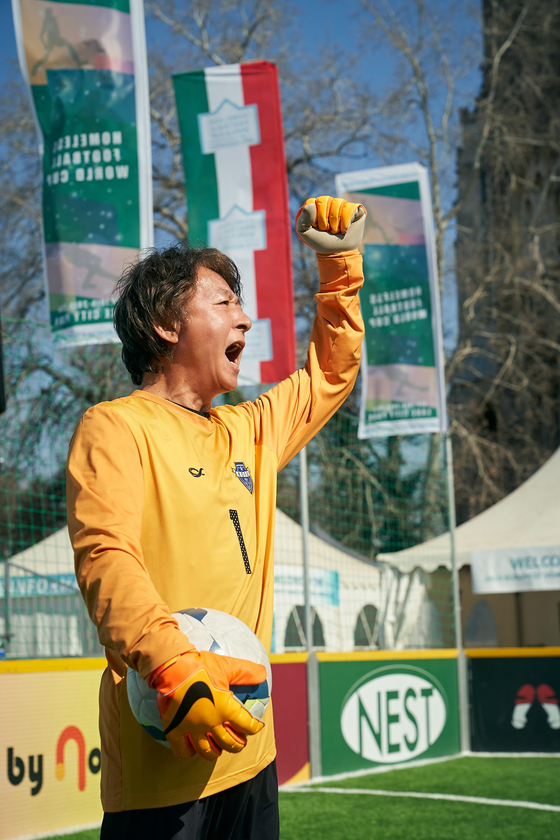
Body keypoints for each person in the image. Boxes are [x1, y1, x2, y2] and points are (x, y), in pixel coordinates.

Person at [66, 195, 366, 840]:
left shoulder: (250, 429)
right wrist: (175, 668)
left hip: (249, 750)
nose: (248, 319)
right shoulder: (115, 426)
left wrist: (339, 264)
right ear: (167, 324)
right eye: (225, 304)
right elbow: (105, 559)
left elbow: (331, 371)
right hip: (163, 754)